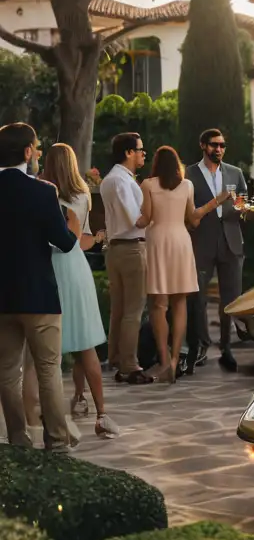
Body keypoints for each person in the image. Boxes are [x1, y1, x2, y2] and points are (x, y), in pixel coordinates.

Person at [0, 122, 79, 451]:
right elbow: (64, 241)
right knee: (48, 370)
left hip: (2, 297)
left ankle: (18, 440)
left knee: (6, 372)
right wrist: (73, 226)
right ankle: (57, 444)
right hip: (39, 295)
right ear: (28, 152)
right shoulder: (43, 191)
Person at [41, 144, 120, 439]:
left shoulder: (44, 193)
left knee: (48, 346)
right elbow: (81, 238)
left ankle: (53, 414)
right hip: (76, 268)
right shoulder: (83, 194)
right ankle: (99, 412)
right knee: (83, 342)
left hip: (50, 266)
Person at [137, 146, 221, 383]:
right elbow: (191, 217)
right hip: (181, 241)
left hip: (158, 241)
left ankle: (164, 361)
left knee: (158, 304)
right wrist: (215, 203)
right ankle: (175, 358)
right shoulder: (187, 185)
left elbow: (147, 217)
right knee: (180, 301)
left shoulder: (148, 185)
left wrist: (130, 218)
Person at [183, 129, 247, 375]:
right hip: (201, 242)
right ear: (203, 145)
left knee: (230, 299)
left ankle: (227, 347)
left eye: (222, 145)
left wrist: (244, 209)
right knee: (197, 298)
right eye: (213, 145)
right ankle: (200, 345)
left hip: (231, 241)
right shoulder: (189, 174)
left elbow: (242, 203)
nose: (218, 149)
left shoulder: (235, 173)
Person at [100, 131, 151, 384]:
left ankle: (117, 358)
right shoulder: (122, 182)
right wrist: (155, 207)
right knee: (133, 309)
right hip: (131, 247)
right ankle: (129, 365)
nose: (143, 154)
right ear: (129, 152)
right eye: (140, 149)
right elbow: (137, 219)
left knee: (119, 309)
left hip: (115, 248)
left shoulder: (111, 180)